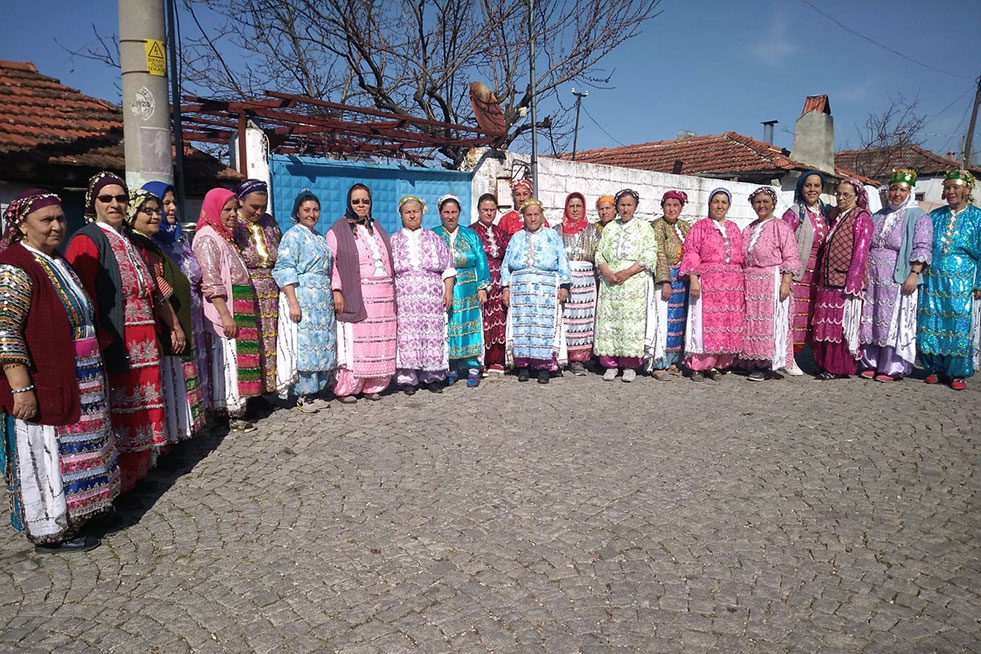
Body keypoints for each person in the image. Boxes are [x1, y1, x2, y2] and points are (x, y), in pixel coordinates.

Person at [0, 190, 120, 553]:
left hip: (80, 372)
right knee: (49, 449)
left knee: (79, 450)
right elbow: (5, 329)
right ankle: (50, 529)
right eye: (46, 220)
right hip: (46, 376)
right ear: (22, 225)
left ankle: (82, 511)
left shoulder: (54, 259)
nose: (56, 226)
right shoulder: (15, 264)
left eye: (60, 219)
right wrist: (21, 388)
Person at [66, 172, 169, 491]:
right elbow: (85, 295)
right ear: (92, 202)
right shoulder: (88, 238)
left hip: (144, 334)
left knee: (143, 402)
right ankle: (121, 481)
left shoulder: (127, 238)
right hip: (117, 336)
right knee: (122, 408)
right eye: (106, 198)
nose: (114, 204)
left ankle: (139, 472)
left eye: (120, 198)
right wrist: (103, 340)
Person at [124, 188, 205, 440]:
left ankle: (180, 432)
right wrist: (173, 325)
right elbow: (157, 288)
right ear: (131, 213)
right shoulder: (138, 246)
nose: (156, 215)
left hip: (175, 320)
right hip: (160, 325)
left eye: (156, 210)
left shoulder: (155, 244)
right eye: (146, 211)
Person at [192, 188, 262, 431]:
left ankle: (237, 406)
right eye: (227, 209)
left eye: (235, 209)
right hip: (226, 309)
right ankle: (227, 411)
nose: (233, 214)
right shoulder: (207, 238)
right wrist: (225, 315)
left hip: (238, 305)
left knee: (237, 361)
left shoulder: (224, 236)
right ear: (214, 209)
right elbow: (211, 281)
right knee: (227, 361)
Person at [143, 180, 212, 410]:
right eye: (165, 203)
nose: (172, 208)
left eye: (173, 203)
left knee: (197, 366)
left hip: (195, 313)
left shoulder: (180, 239)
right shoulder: (150, 244)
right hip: (172, 315)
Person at [326, 184, 397, 403]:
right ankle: (348, 388)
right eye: (356, 201)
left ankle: (374, 385)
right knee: (357, 342)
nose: (361, 206)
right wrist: (336, 290)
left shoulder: (377, 227)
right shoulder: (336, 230)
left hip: (384, 296)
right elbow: (332, 264)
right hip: (358, 295)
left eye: (365, 201)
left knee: (380, 340)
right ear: (349, 203)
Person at [859, 169, 932, 382]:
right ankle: (870, 362)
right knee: (871, 319)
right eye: (893, 189)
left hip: (896, 277)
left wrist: (914, 273)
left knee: (892, 321)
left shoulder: (918, 216)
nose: (896, 194)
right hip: (872, 277)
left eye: (902, 190)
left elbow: (923, 246)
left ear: (910, 192)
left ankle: (892, 366)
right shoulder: (879, 215)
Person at [271, 190, 337, 412]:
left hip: (322, 298)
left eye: (315, 210)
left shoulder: (318, 236)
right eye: (306, 210)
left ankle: (317, 390)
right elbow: (284, 268)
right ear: (297, 212)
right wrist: (293, 301)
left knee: (321, 343)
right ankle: (303, 394)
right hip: (304, 295)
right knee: (306, 345)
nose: (312, 214)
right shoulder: (293, 236)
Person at [917, 169, 981, 390]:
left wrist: (980, 282)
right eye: (947, 188)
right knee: (931, 320)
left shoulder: (977, 217)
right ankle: (934, 368)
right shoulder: (935, 216)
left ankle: (957, 373)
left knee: (958, 323)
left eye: (955, 187)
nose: (951, 191)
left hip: (962, 280)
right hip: (933, 279)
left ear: (966, 190)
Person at [501, 198, 571, 384]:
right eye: (529, 215)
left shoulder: (552, 236)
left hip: (546, 291)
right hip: (521, 290)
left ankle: (544, 367)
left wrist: (564, 285)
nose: (532, 218)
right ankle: (523, 366)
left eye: (536, 215)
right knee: (522, 328)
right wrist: (506, 287)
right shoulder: (516, 237)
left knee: (543, 328)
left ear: (542, 216)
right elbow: (506, 264)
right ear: (523, 217)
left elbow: (562, 261)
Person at [390, 196, 456, 394]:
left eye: (415, 211)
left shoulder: (434, 238)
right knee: (407, 337)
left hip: (431, 300)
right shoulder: (393, 240)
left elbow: (448, 267)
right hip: (405, 300)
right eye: (407, 212)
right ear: (401, 214)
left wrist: (449, 291)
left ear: (422, 213)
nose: (412, 215)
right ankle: (408, 379)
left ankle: (432, 377)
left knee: (431, 337)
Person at [811, 178, 874, 380]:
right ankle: (824, 364)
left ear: (857, 197)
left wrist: (854, 282)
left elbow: (861, 252)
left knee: (840, 327)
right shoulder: (837, 217)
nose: (841, 198)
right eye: (839, 193)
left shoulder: (861, 217)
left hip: (845, 284)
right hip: (828, 282)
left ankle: (838, 367)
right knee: (826, 325)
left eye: (846, 194)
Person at [680, 188, 745, 382]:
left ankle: (718, 364)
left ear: (729, 206)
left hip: (732, 285)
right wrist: (693, 277)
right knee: (703, 324)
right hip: (708, 282)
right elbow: (691, 252)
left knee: (726, 324)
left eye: (724, 202)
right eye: (716, 201)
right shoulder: (700, 227)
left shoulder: (734, 228)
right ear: (709, 204)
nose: (719, 206)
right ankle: (699, 366)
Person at [594, 189, 659, 382]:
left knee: (631, 324)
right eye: (622, 205)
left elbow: (650, 254)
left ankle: (629, 365)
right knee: (610, 323)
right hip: (611, 283)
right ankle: (611, 364)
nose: (625, 208)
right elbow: (599, 253)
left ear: (636, 206)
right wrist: (606, 271)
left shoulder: (644, 228)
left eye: (629, 205)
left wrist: (627, 272)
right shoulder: (610, 228)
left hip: (633, 282)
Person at [740, 187, 800, 381]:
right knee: (751, 324)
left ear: (773, 203)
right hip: (750, 282)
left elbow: (791, 256)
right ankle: (751, 360)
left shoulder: (781, 227)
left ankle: (765, 363)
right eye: (757, 202)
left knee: (768, 324)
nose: (761, 205)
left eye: (766, 201)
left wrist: (786, 283)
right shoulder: (749, 229)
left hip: (770, 281)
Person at [435, 194, 490, 387]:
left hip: (469, 289)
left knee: (470, 325)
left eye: (454, 212)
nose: (450, 216)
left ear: (459, 213)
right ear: (440, 213)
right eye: (446, 212)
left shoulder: (470, 235)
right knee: (448, 326)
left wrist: (482, 287)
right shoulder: (433, 235)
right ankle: (451, 367)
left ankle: (473, 367)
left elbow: (481, 261)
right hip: (444, 290)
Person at [233, 179, 282, 396]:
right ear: (240, 201)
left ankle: (267, 390)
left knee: (270, 343)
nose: (259, 211)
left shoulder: (269, 223)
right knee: (250, 344)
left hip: (273, 293)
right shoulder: (234, 224)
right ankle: (249, 394)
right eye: (254, 206)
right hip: (247, 293)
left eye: (263, 206)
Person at [781, 171, 831, 375]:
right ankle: (788, 357)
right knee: (794, 316)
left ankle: (807, 356)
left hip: (818, 274)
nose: (812, 190)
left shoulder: (826, 212)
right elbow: (784, 243)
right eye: (808, 185)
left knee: (811, 317)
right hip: (799, 272)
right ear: (801, 188)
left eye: (816, 186)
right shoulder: (794, 213)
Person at [554, 191, 601, 375]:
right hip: (565, 280)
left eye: (578, 206)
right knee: (564, 318)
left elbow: (599, 256)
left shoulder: (592, 230)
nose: (575, 210)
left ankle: (578, 360)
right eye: (571, 206)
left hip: (586, 283)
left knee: (583, 320)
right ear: (566, 208)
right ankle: (561, 356)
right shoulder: (557, 230)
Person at [650, 190, 691, 380]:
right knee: (663, 320)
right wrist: (665, 281)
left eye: (676, 205)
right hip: (665, 279)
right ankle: (659, 363)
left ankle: (674, 361)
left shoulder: (685, 226)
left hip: (683, 282)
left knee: (679, 323)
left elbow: (692, 253)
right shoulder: (657, 226)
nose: (672, 209)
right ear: (662, 206)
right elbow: (658, 254)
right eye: (668, 205)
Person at [470, 193, 510, 374]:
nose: (489, 213)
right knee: (482, 318)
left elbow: (507, 258)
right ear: (478, 210)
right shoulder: (471, 233)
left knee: (499, 317)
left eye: (492, 210)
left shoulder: (501, 234)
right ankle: (480, 361)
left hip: (499, 280)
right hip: (481, 281)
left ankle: (497, 359)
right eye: (485, 210)